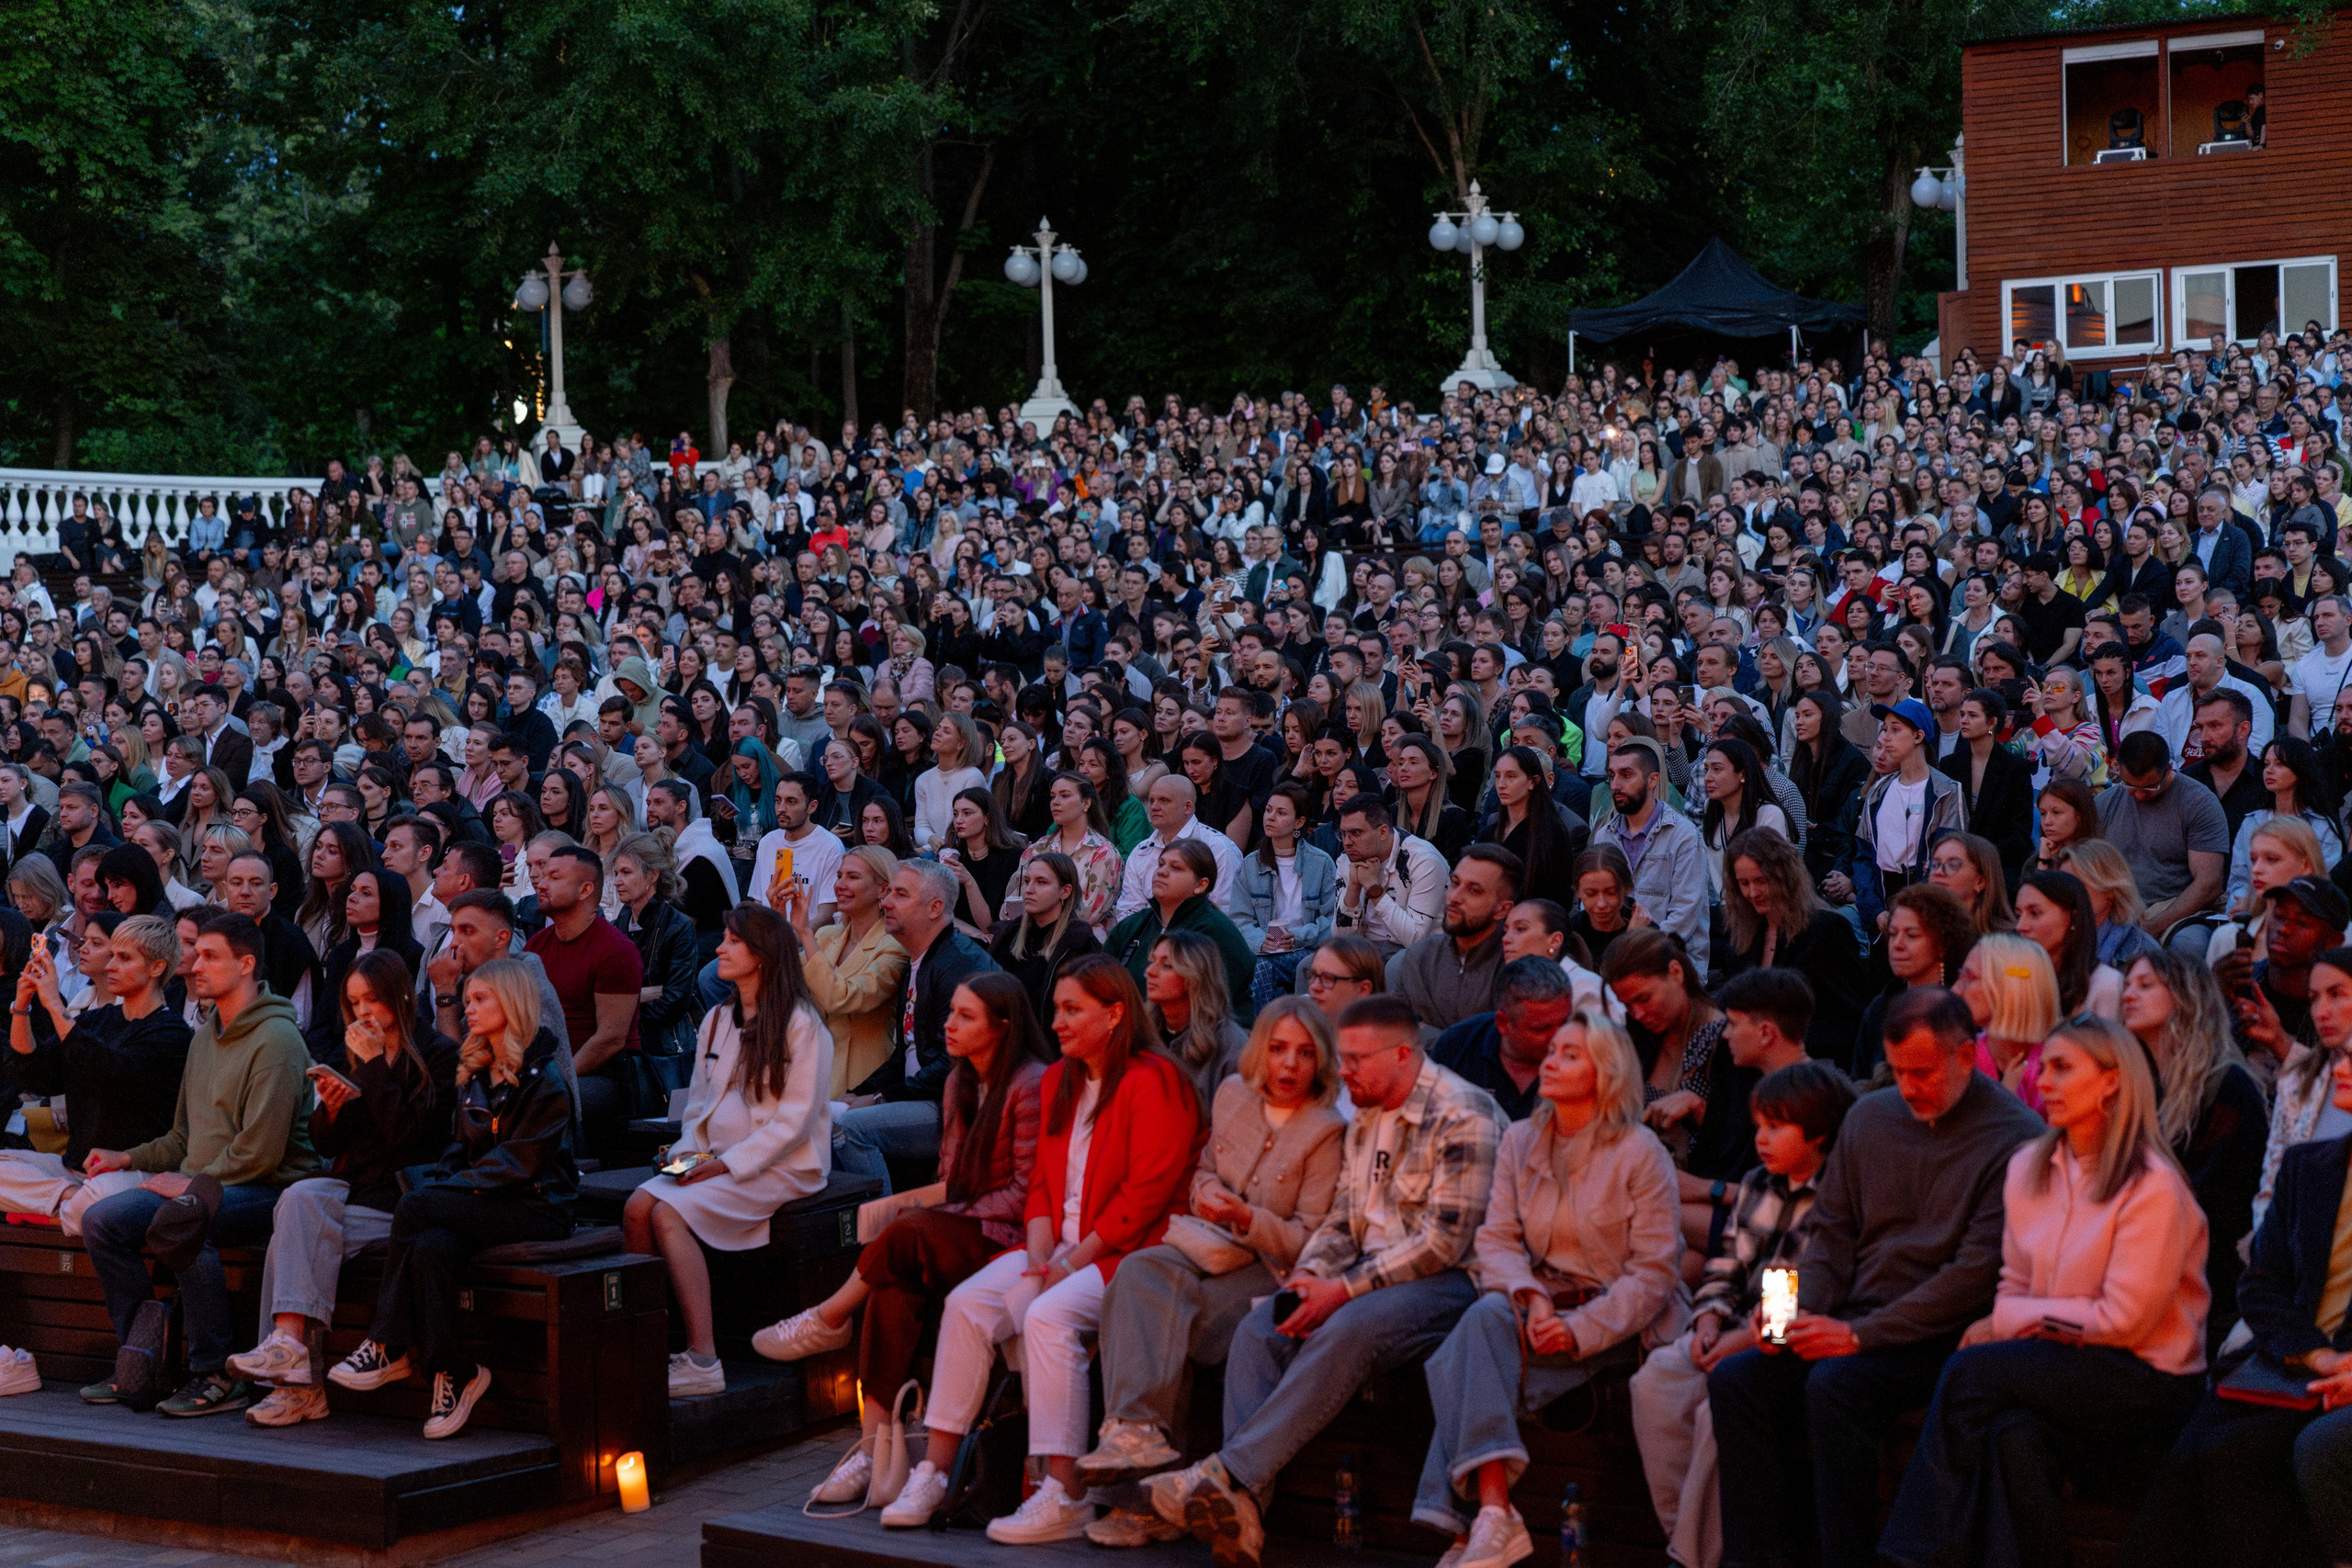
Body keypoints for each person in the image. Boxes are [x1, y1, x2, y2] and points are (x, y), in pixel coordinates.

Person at [1146, 995, 1506, 1568]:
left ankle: (1228, 1472)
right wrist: (1312, 1275)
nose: (1344, 1073)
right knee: (1263, 1326)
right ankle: (1243, 1518)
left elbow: (1444, 1245)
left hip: (1452, 1284)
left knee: (1350, 1327)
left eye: (1357, 1060)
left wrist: (1343, 1290)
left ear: (1403, 1055)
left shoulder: (1464, 1114)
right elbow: (1343, 1218)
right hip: (1364, 1272)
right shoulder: (1366, 1115)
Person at [1707, 987, 2044, 1568]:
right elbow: (1829, 1233)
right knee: (1739, 1380)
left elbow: (1971, 1275)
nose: (1909, 1087)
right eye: (1898, 1071)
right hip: (1848, 1317)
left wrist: (1859, 1337)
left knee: (1835, 1385)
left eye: (1923, 1072)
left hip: (1939, 1336)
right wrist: (1783, 1309)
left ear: (1966, 1056)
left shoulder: (2015, 1137)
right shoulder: (1870, 1115)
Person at [881, 957, 1200, 1540]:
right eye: (1056, 1008)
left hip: (1129, 1255)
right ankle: (934, 1470)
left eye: (1073, 1009)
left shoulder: (1155, 1079)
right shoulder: (1058, 1080)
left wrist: (1063, 1269)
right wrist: (1035, 1261)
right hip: (1059, 1250)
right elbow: (1042, 1191)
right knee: (969, 1304)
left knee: (1047, 1316)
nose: (1056, 1021)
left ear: (1115, 1013)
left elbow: (1144, 1199)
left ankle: (1065, 1492)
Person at [1880, 1012, 2209, 1568]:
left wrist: (2007, 1322)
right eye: (2043, 1067)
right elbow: (2015, 1282)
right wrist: (2015, 1320)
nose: (2045, 1082)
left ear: (2110, 1081)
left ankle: (1910, 1556)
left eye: (2062, 1068)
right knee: (2014, 1435)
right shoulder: (2028, 1166)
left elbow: (2125, 1320)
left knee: (1969, 1372)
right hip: (2060, 1360)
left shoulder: (2152, 1186)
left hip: (2149, 1376)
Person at [760, 972, 1052, 1507]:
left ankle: (828, 1317)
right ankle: (871, 1453)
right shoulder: (958, 1082)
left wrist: (941, 1207)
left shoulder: (1030, 1083)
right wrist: (935, 1201)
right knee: (892, 1292)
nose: (949, 1024)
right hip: (963, 1227)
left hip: (1010, 1239)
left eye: (966, 1016)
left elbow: (1028, 1193)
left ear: (1004, 1027)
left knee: (907, 1229)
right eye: (951, 1013)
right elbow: (952, 1174)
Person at [1076, 997, 1348, 1547]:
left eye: (1303, 1053)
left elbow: (1311, 1239)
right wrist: (1207, 1193)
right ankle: (1135, 1433)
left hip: (1269, 1267)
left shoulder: (1327, 1127)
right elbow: (1203, 1169)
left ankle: (1151, 1504)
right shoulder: (1231, 1095)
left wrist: (1248, 1217)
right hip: (1206, 1247)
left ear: (1320, 1060)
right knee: (1137, 1274)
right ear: (1259, 1052)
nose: (1289, 1066)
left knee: (1171, 1320)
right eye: (1277, 1050)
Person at [2123, 987, 2352, 1568]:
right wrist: (2314, 1354)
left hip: (2340, 1378)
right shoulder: (2311, 1167)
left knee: (2236, 1455)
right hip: (2296, 1359)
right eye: (2341, 1056)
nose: (2341, 1069)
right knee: (2188, 1452)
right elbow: (2261, 1283)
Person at [77, 911, 318, 1416]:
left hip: (267, 1186)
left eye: (209, 956)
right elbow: (183, 1135)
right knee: (101, 1220)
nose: (192, 967)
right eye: (195, 954)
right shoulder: (206, 1034)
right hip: (204, 1184)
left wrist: (187, 1181)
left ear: (247, 964)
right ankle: (143, 1360)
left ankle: (215, 1372)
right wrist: (129, 1157)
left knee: (183, 1216)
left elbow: (261, 1154)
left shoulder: (277, 1040)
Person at [327, 958, 575, 1439]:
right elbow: (456, 1151)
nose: (468, 1011)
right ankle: (453, 1370)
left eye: (481, 1000)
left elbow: (519, 1165)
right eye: (466, 1002)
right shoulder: (475, 1073)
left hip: (538, 1205)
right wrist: (448, 1181)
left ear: (514, 1003)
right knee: (430, 1246)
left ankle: (385, 1343)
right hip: (486, 1198)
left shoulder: (545, 1078)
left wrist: (443, 1189)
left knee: (417, 1206)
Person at [1632, 1060, 1857, 1568]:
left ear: (1820, 1134)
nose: (1762, 1139)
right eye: (1759, 1127)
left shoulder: (1838, 1194)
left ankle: (1693, 1558)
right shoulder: (1757, 1183)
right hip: (1733, 1328)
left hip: (1787, 1343)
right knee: (1655, 1383)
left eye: (1777, 1127)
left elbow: (1804, 1287)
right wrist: (1707, 1321)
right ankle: (1682, 1537)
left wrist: (1738, 1342)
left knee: (1720, 1407)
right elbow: (1725, 1264)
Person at [228, 949, 457, 1426]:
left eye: (372, 999)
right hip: (353, 1189)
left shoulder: (438, 1055)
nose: (364, 1012)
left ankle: (298, 1386)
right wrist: (330, 1108)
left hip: (403, 1198)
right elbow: (327, 1143)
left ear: (400, 996)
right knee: (297, 1201)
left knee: (288, 1240)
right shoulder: (350, 1053)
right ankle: (289, 1349)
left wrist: (374, 1069)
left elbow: (410, 1138)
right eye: (354, 1003)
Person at [627, 906, 832, 1397]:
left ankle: (703, 1359)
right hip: (713, 1161)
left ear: (762, 956)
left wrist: (724, 1164)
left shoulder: (803, 1024)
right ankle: (639, 1346)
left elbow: (794, 1121)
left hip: (781, 1168)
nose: (718, 948)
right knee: (637, 1206)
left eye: (732, 941)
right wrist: (686, 1156)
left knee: (667, 1216)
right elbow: (698, 1105)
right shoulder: (718, 1019)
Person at [0, 915, 190, 1235]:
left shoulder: (171, 1033)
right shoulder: (97, 1020)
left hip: (132, 1172)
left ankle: (61, 1209)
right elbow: (37, 1074)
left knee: (101, 1199)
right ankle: (69, 1205)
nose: (111, 965)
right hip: (76, 1172)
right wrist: (22, 1005)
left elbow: (110, 1071)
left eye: (124, 958)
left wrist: (56, 1008)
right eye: (112, 955)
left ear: (157, 967)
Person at [2119, 949, 2267, 1354]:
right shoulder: (2137, 1083)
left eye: (2146, 985)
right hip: (2146, 1257)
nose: (2128, 994)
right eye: (2128, 984)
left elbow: (2221, 1205)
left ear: (2185, 997)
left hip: (2204, 1275)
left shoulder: (2227, 1087)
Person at [836, 860, 998, 1194]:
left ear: (935, 908)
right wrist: (859, 1092)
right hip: (922, 1094)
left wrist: (881, 1098)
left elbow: (955, 1062)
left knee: (850, 1127)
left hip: (957, 1106)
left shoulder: (959, 964)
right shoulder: (920, 958)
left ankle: (880, 1224)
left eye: (900, 894)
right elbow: (906, 1052)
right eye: (888, 893)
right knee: (827, 1112)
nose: (886, 902)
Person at [523, 845, 645, 1156]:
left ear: (585, 890)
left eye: (554, 877)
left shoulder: (615, 950)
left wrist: (556, 1080)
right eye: (542, 875)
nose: (541, 883)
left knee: (542, 1104)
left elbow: (610, 1039)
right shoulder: (537, 945)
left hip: (602, 1075)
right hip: (543, 1069)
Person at [1717, 827, 1865, 1060]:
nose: (1753, 892)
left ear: (1784, 877)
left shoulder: (1827, 930)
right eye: (1744, 883)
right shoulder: (1742, 939)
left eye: (1761, 881)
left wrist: (1779, 1040)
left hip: (1810, 1067)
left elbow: (1849, 1021)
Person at [786, 844, 910, 1099]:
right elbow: (782, 980)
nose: (840, 885)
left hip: (862, 1082)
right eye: (839, 875)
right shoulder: (826, 936)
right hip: (813, 1072)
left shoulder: (896, 946)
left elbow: (840, 998)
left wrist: (805, 934)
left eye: (853, 877)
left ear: (884, 889)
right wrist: (779, 918)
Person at [2099, 731, 2230, 959]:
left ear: (2169, 769)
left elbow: (2209, 883)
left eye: (2149, 787)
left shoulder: (2198, 802)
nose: (2139, 795)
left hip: (2177, 911)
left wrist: (2154, 924)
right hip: (2116, 910)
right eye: (2129, 785)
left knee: (2190, 946)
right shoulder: (2104, 803)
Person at [1848, 697, 1968, 936]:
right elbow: (1863, 855)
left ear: (1918, 737)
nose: (1885, 738)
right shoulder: (1878, 791)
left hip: (1926, 905)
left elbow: (1950, 859)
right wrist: (1875, 910)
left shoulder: (1946, 791)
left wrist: (1912, 906)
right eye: (1884, 730)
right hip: (1883, 901)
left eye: (1895, 730)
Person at [1592, 740, 1709, 974]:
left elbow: (1683, 918)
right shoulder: (1605, 836)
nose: (1615, 785)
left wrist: (1633, 951)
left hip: (1673, 963)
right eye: (1612, 775)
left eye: (1626, 775)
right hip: (1618, 962)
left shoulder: (1683, 836)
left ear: (1652, 780)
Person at [1105, 840, 1256, 1016]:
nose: (1161, 872)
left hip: (1207, 1036)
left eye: (1175, 867)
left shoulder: (1218, 932)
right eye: (1160, 865)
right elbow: (1101, 981)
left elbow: (1210, 1006)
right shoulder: (1133, 926)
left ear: (1201, 885)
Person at [1428, 957, 1577, 1122]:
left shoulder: (1589, 1052)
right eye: (1542, 1029)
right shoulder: (1456, 1047)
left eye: (1565, 1023)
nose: (1559, 1037)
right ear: (1503, 1023)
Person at [1229, 781, 1338, 1009]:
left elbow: (1332, 920)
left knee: (1262, 969)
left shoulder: (1321, 863)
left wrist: (1297, 936)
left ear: (1299, 822)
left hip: (1307, 949)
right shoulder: (1250, 864)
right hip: (1263, 952)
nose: (1270, 817)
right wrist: (1261, 941)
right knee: (1254, 966)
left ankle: (1259, 1033)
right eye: (1268, 810)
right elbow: (1239, 920)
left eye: (1280, 813)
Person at [1390, 844, 1521, 1033]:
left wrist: (1427, 1033)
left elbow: (1497, 1046)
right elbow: (1397, 1033)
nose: (1455, 897)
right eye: (1455, 883)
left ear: (1502, 909)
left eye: (1474, 890)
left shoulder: (1514, 966)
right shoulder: (1420, 957)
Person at [1854, 883, 1975, 1082]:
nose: (1897, 944)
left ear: (1943, 944)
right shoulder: (1879, 1009)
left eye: (1911, 935)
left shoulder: (1965, 1006)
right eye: (1893, 934)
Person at [610, 833, 702, 1061]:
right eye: (616, 873)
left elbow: (674, 1001)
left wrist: (624, 1009)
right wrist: (645, 994)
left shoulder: (678, 927)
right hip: (621, 1040)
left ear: (652, 875)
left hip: (664, 1048)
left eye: (626, 873)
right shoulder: (618, 925)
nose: (617, 881)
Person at [1329, 791, 1451, 958]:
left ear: (1383, 832)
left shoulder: (1423, 860)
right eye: (1343, 834)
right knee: (1307, 966)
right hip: (1367, 947)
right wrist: (1354, 887)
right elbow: (1341, 940)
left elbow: (1417, 939)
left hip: (1419, 953)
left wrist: (1374, 889)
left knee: (1394, 965)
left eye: (1356, 833)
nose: (1347, 842)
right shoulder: (1347, 860)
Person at [1147, 929, 1250, 1108]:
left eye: (1166, 965)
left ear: (1195, 976)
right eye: (1152, 961)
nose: (1150, 971)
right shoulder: (1140, 1033)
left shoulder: (1231, 1045)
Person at [2014, 868, 2123, 1019]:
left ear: (2073, 918)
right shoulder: (2014, 979)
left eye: (2034, 913)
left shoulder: (2107, 985)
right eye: (2018, 915)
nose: (2020, 926)